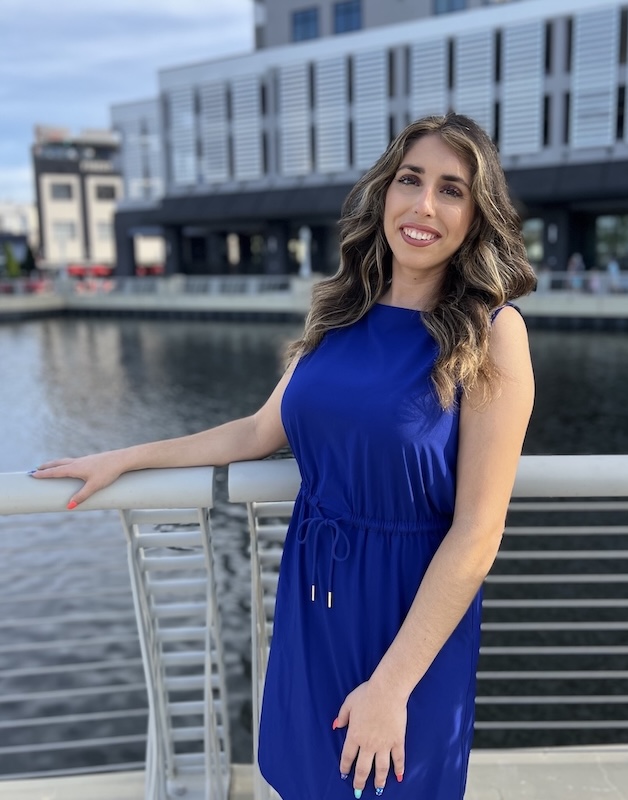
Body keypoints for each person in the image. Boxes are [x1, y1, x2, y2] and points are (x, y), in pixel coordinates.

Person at [31, 113, 536, 800]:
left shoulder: (493, 333)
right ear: (383, 192)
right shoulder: (338, 316)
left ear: (476, 216)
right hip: (314, 600)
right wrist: (125, 458)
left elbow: (478, 531)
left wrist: (390, 686)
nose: (423, 205)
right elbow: (255, 433)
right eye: (410, 180)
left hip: (412, 617)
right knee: (304, 780)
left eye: (451, 190)